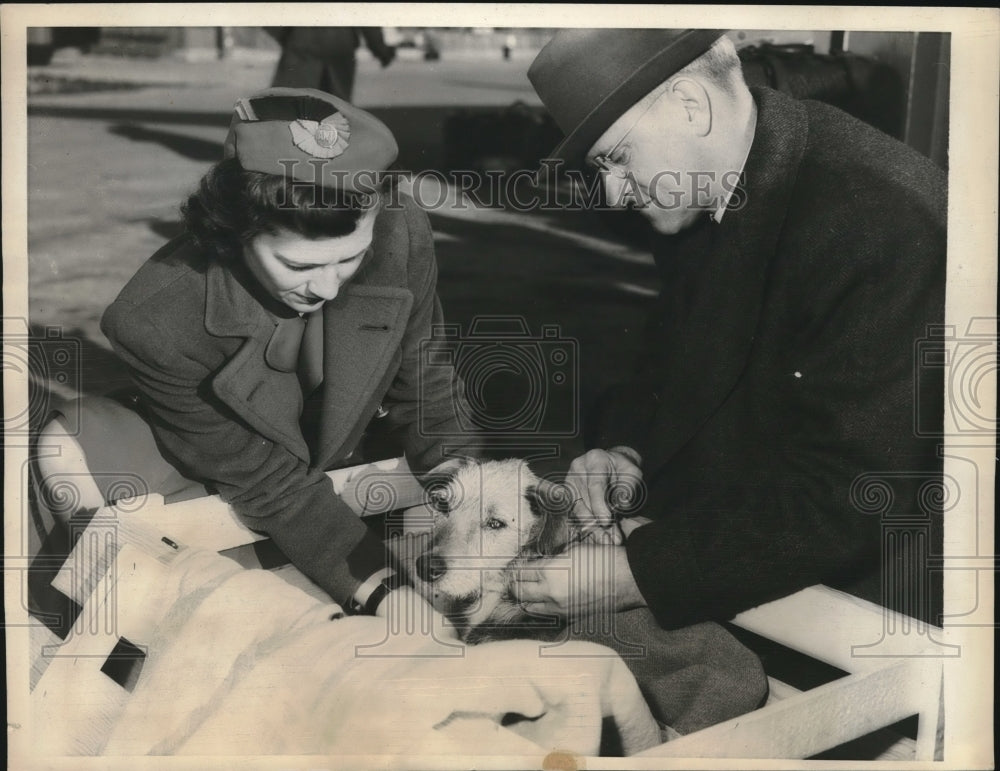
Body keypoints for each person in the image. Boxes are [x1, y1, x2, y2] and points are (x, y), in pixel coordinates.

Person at [516, 29, 946, 630]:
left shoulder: (877, 222)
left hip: (887, 597)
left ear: (692, 104)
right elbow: (674, 357)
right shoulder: (709, 182)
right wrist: (625, 449)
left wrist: (640, 575)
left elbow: (854, 496)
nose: (613, 193)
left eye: (615, 158)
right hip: (760, 539)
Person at [42, 87, 474, 626]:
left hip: (339, 471)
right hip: (234, 486)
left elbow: (424, 381)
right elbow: (270, 485)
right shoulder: (152, 322)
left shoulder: (399, 231)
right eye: (298, 267)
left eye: (350, 259)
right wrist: (383, 592)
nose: (330, 289)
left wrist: (468, 496)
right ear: (234, 235)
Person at [266, 27, 396, 102]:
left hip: (303, 43)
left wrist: (287, 37)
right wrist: (381, 50)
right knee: (337, 108)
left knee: (291, 103)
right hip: (339, 43)